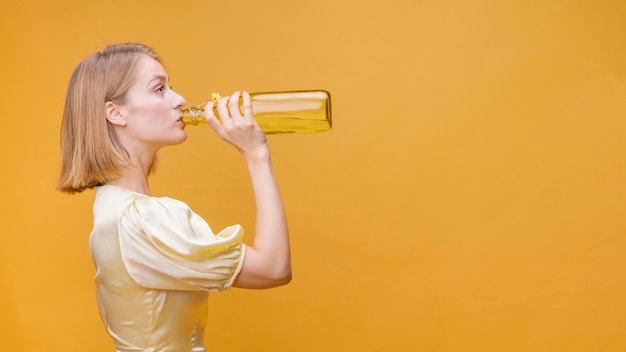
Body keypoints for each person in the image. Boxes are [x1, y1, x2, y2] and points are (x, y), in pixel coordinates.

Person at [57, 43, 292, 351]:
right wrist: (256, 154)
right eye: (159, 89)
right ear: (115, 112)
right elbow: (274, 269)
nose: (179, 99)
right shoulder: (141, 220)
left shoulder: (112, 206)